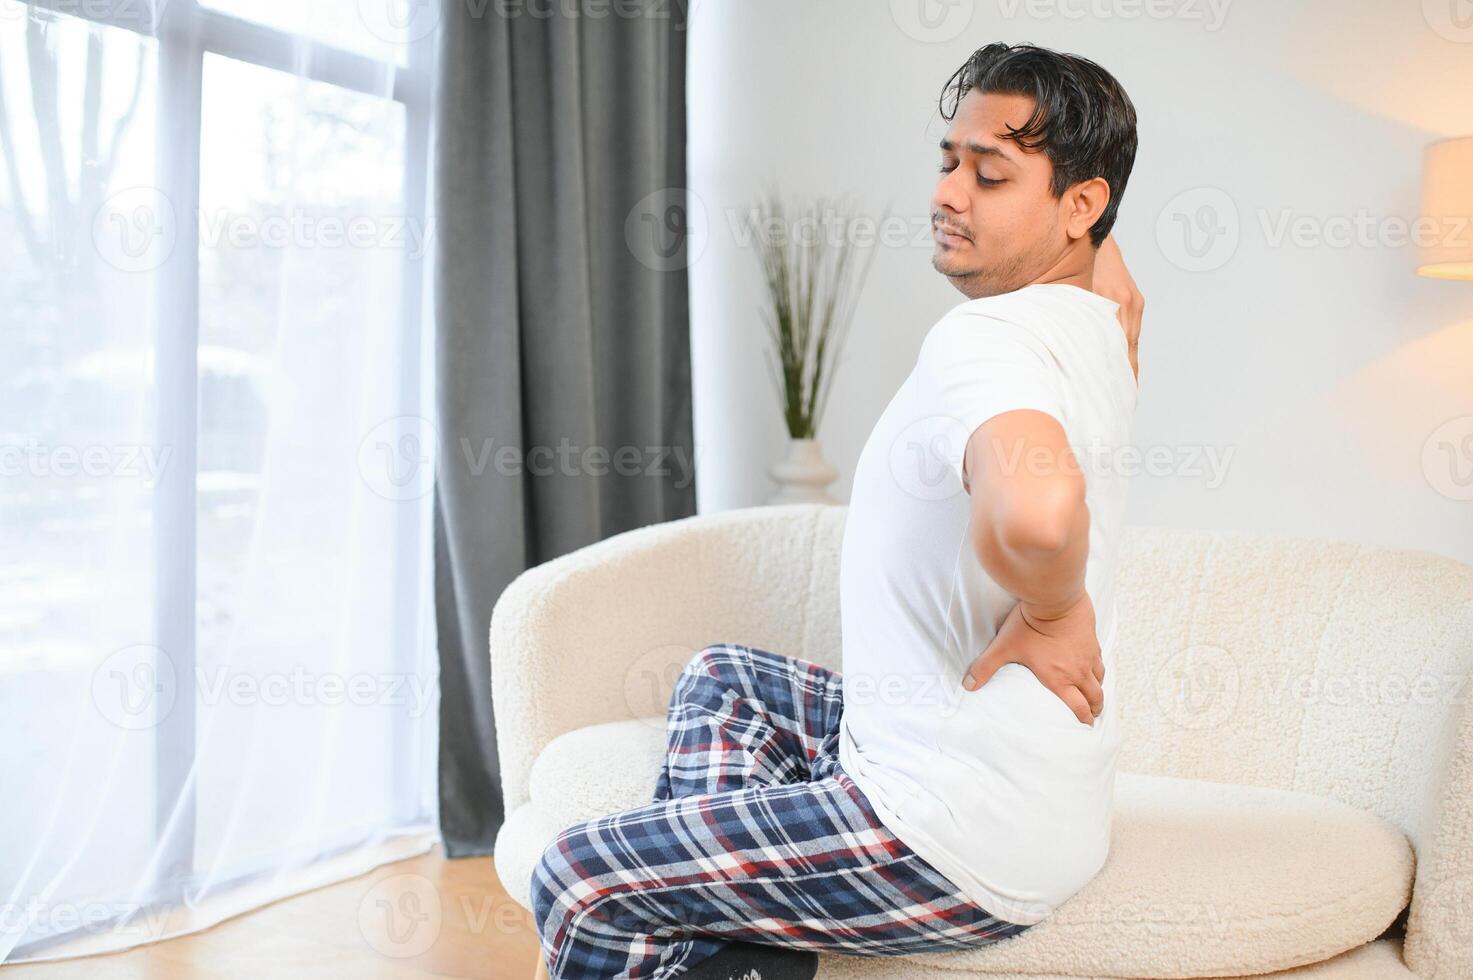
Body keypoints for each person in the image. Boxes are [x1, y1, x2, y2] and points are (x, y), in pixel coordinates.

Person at [530, 41, 1143, 979]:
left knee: (582, 878)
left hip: (950, 837)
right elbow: (1119, 284)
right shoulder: (1100, 327)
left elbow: (1040, 517)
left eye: (989, 175)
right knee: (723, 680)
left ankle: (699, 930)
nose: (947, 193)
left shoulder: (989, 339)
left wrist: (1057, 612)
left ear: (1080, 206)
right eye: (947, 161)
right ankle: (736, 959)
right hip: (1030, 796)